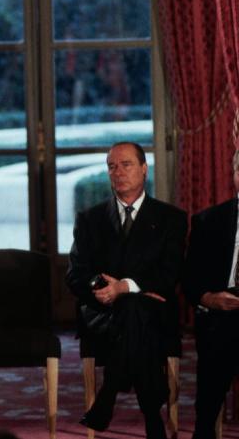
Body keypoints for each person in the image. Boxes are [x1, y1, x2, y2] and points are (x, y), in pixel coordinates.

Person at [66, 142, 187, 439]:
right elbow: (75, 274)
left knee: (134, 309)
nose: (118, 172)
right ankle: (152, 412)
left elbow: (170, 274)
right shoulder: (89, 219)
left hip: (154, 314)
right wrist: (104, 288)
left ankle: (108, 395)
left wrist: (125, 287)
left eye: (126, 164)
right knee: (133, 310)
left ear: (144, 169)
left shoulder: (171, 217)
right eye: (111, 166)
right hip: (103, 313)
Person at [182, 150, 239, 439]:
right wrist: (209, 299)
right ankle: (204, 429)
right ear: (236, 174)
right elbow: (190, 280)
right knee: (218, 336)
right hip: (222, 313)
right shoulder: (209, 221)